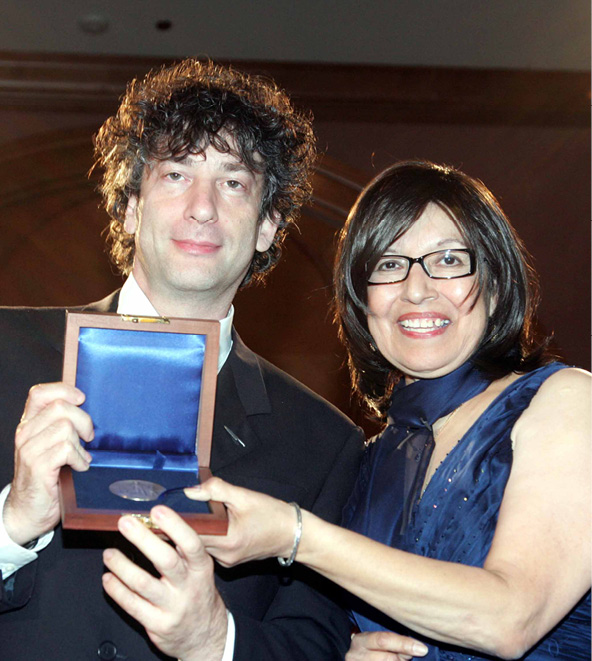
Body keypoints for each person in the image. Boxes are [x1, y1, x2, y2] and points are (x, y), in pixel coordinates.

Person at [0, 59, 367, 661]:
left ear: (268, 227)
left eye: (234, 182)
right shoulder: (5, 351)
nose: (202, 207)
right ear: (129, 206)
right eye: (175, 174)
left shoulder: (325, 444)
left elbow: (315, 641)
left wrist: (214, 641)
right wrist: (11, 525)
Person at [180, 161, 591, 660]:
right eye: (390, 265)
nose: (416, 290)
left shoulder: (566, 401)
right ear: (363, 302)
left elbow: (512, 619)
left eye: (448, 260)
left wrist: (295, 535)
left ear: (496, 282)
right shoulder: (361, 461)